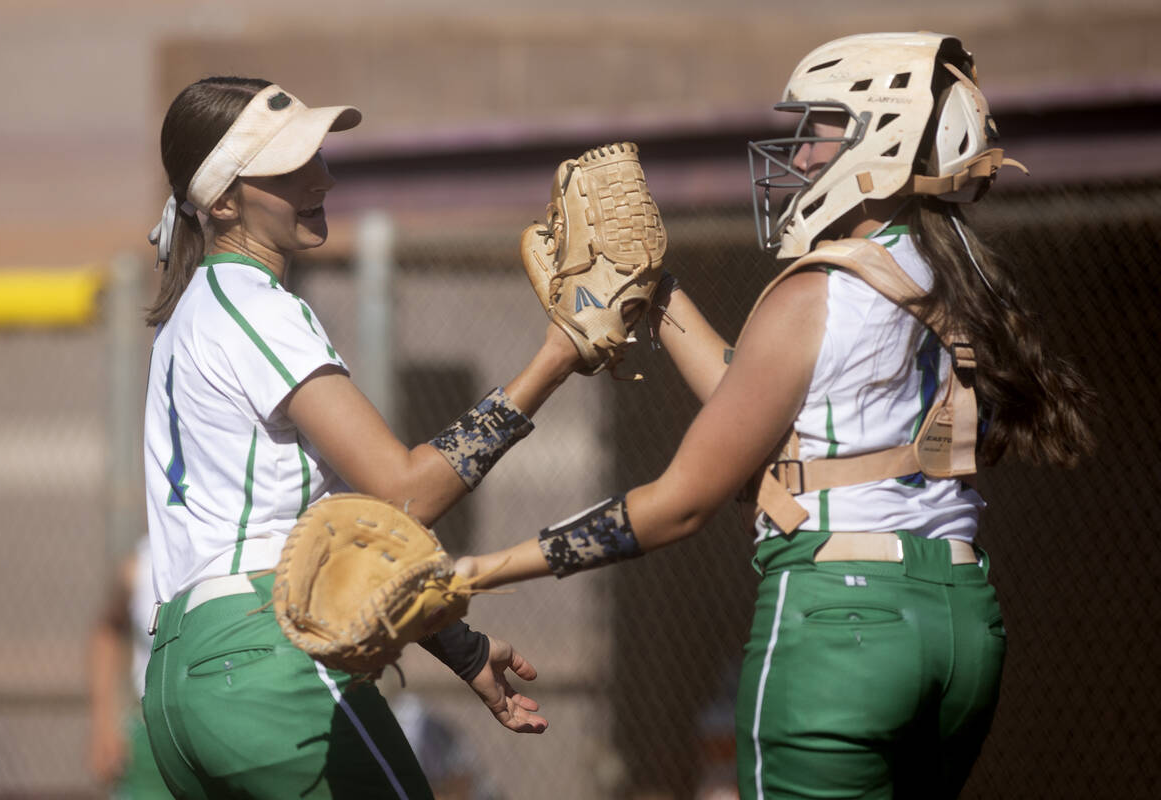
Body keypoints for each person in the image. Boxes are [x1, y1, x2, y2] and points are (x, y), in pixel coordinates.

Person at [455, 32, 1096, 799]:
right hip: (962, 625)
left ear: (881, 138)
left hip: (839, 624)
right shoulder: (957, 283)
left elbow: (679, 504)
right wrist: (656, 293)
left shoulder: (815, 290)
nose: (799, 152)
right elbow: (766, 405)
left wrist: (483, 572)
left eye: (821, 126)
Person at [141, 76, 582, 799]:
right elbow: (405, 493)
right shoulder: (255, 303)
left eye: (314, 156)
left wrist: (461, 646)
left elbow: (350, 521)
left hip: (177, 687)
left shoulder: (187, 320)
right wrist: (557, 358)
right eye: (288, 166)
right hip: (267, 655)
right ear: (222, 200)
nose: (322, 175)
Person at [87, 538, 171, 798]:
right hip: (149, 736)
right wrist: (103, 724)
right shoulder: (141, 564)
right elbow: (108, 631)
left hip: (217, 733)